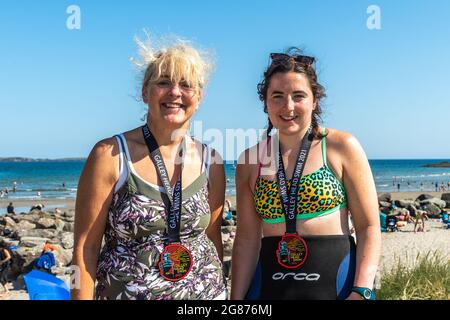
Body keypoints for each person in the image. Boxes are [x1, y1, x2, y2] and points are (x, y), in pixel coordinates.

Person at [72, 35, 227, 300]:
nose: (175, 92)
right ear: (145, 91)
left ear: (198, 97)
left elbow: (212, 237)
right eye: (164, 82)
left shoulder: (211, 161)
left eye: (186, 85)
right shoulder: (109, 155)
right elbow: (85, 249)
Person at [231, 49, 381, 300]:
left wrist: (362, 290)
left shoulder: (341, 146)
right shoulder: (249, 160)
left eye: (298, 96)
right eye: (277, 96)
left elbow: (369, 226)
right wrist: (235, 300)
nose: (288, 106)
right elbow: (246, 239)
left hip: (337, 284)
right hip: (269, 285)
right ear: (265, 102)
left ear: (314, 101)